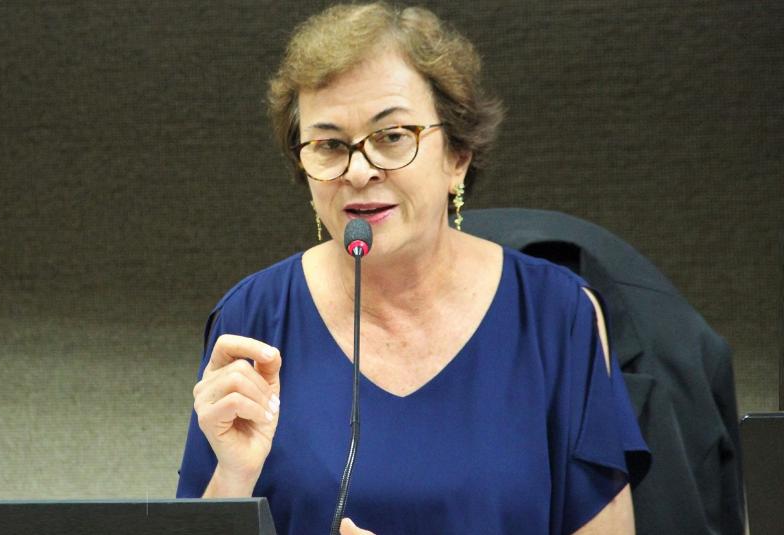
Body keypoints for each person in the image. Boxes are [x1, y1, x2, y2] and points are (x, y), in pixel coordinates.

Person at [176, 3, 649, 534]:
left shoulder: (557, 316)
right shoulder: (252, 317)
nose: (359, 171)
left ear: (458, 156)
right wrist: (233, 477)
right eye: (329, 145)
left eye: (392, 136)